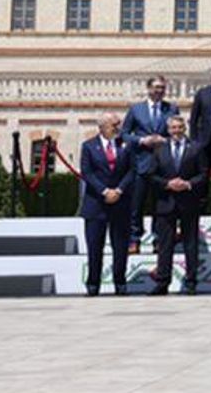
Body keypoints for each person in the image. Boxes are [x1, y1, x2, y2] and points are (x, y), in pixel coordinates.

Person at [149, 115, 206, 296]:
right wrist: (167, 184)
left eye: (180, 127)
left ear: (185, 128)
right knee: (165, 245)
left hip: (189, 202)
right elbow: (151, 175)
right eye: (173, 127)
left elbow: (203, 174)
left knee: (191, 244)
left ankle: (191, 282)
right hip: (166, 202)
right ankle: (162, 282)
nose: (177, 130)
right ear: (168, 129)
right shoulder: (159, 149)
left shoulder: (196, 148)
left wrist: (188, 184)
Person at [80, 113, 134, 296]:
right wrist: (105, 191)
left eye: (118, 124)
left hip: (121, 203)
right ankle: (93, 283)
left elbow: (131, 171)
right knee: (95, 247)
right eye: (114, 125)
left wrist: (118, 191)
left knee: (120, 247)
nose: (118, 128)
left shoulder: (126, 145)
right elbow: (87, 173)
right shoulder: (88, 146)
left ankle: (120, 282)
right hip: (96, 204)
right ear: (102, 127)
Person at [122, 75, 178, 250]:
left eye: (162, 87)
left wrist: (164, 140)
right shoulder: (136, 109)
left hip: (162, 165)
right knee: (136, 204)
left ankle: (158, 238)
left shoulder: (172, 109)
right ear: (148, 88)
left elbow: (177, 132)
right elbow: (124, 134)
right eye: (156, 87)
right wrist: (141, 140)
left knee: (160, 205)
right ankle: (134, 238)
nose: (159, 91)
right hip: (141, 163)